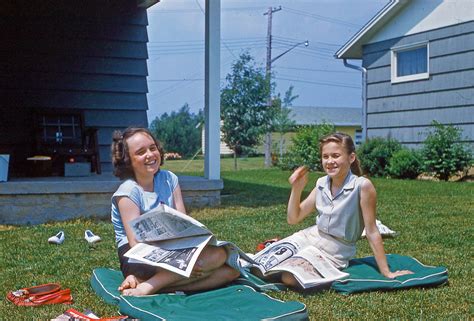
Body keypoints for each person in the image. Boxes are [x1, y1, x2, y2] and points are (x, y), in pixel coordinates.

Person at [110, 127, 239, 296]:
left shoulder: (170, 179)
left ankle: (159, 284)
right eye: (141, 152)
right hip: (138, 256)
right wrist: (180, 264)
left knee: (225, 262)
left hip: (172, 246)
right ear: (128, 160)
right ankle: (151, 285)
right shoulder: (128, 191)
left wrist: (188, 255)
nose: (150, 154)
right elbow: (135, 243)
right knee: (215, 268)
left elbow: (183, 222)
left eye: (152, 148)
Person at [280, 132, 413, 288]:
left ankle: (325, 272)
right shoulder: (321, 183)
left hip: (335, 251)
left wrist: (386, 272)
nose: (329, 161)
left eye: (335, 156)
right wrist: (297, 189)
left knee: (288, 277)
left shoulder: (362, 186)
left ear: (351, 158)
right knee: (260, 269)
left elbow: (371, 231)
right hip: (310, 236)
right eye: (325, 156)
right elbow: (293, 219)